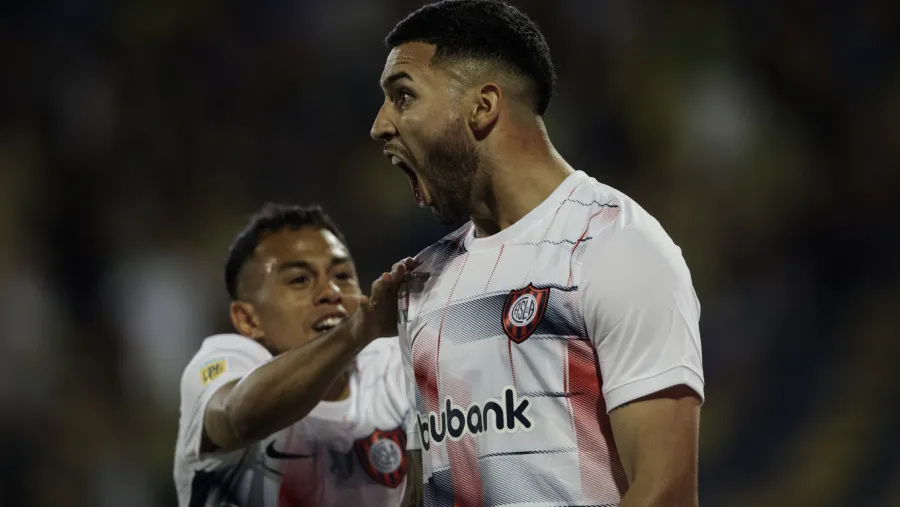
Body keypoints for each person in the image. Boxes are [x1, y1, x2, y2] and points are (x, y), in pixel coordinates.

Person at [369, 1, 705, 506]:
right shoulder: (422, 284)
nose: (380, 125)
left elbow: (666, 492)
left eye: (403, 96)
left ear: (483, 106)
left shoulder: (614, 246)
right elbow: (422, 492)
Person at [173, 203, 420, 507]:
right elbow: (239, 418)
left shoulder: (394, 364)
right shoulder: (225, 360)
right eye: (300, 280)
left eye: (342, 275)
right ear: (248, 319)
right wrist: (354, 333)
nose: (331, 292)